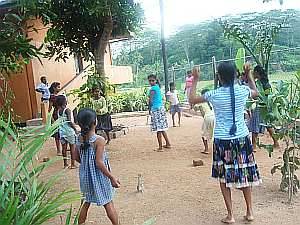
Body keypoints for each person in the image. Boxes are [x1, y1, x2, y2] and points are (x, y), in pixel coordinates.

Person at [189, 63, 261, 224]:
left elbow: (192, 99)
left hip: (222, 141)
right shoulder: (242, 91)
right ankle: (249, 211)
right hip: (242, 138)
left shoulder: (214, 94)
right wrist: (249, 75)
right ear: (236, 75)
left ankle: (231, 215)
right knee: (244, 175)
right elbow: (255, 93)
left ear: (219, 77)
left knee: (223, 178)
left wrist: (195, 78)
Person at [74, 108, 120, 225]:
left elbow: (75, 157)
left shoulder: (79, 138)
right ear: (95, 122)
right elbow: (99, 163)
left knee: (85, 202)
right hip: (100, 177)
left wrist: (86, 164)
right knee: (108, 202)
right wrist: (112, 177)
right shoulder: (99, 140)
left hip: (85, 176)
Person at [248, 65, 279, 150]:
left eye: (254, 72)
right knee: (268, 126)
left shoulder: (264, 84)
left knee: (255, 125)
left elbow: (268, 95)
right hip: (263, 106)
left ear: (257, 73)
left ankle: (254, 146)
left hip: (261, 106)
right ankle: (276, 143)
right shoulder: (263, 82)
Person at [148, 74, 171, 151]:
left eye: (152, 80)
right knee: (162, 128)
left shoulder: (152, 89)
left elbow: (150, 101)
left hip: (156, 109)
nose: (151, 82)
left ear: (155, 80)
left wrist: (149, 109)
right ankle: (168, 143)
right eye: (150, 81)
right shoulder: (157, 87)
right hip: (161, 108)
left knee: (158, 129)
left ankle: (160, 147)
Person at [56, 95, 77, 169]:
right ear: (65, 101)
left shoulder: (58, 111)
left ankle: (65, 164)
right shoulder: (67, 110)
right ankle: (73, 164)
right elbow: (69, 121)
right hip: (69, 132)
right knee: (72, 148)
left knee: (64, 149)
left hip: (62, 132)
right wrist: (75, 129)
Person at [199, 88, 215, 154]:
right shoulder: (213, 100)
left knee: (204, 134)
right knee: (215, 134)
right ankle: (215, 149)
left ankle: (206, 149)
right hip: (214, 116)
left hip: (207, 117)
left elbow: (196, 108)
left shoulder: (201, 101)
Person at [48, 82, 61, 155]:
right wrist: (52, 119)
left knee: (63, 131)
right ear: (54, 88)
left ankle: (63, 147)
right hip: (55, 116)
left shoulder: (59, 96)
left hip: (61, 115)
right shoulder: (52, 97)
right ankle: (58, 150)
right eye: (58, 87)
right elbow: (49, 109)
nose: (59, 88)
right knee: (57, 134)